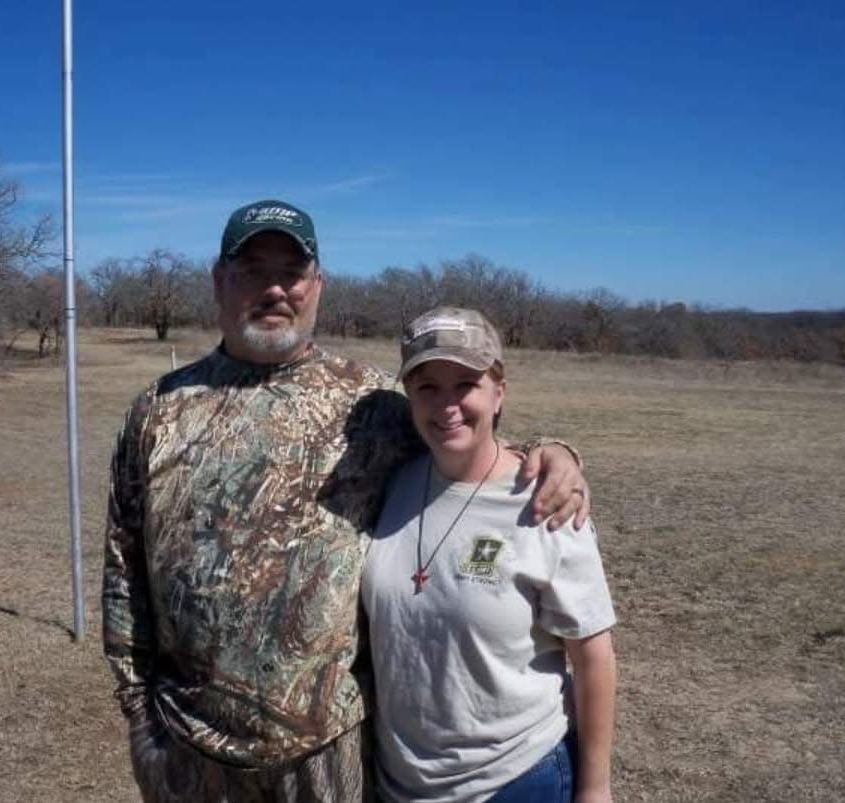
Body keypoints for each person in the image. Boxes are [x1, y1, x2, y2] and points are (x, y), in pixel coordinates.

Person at [102, 200, 591, 803]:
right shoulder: (157, 411)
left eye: (293, 272)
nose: (275, 288)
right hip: (186, 745)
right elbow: (123, 572)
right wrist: (139, 717)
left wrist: (553, 452)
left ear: (318, 285)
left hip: (328, 749)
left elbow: (469, 442)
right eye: (253, 270)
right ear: (219, 279)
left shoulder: (372, 405)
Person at [361, 307, 617, 803]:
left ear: (499, 391)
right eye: (428, 387)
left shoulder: (547, 502)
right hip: (403, 783)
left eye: (466, 384)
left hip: (515, 779)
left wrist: (595, 788)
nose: (447, 405)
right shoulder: (392, 481)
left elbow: (594, 658)